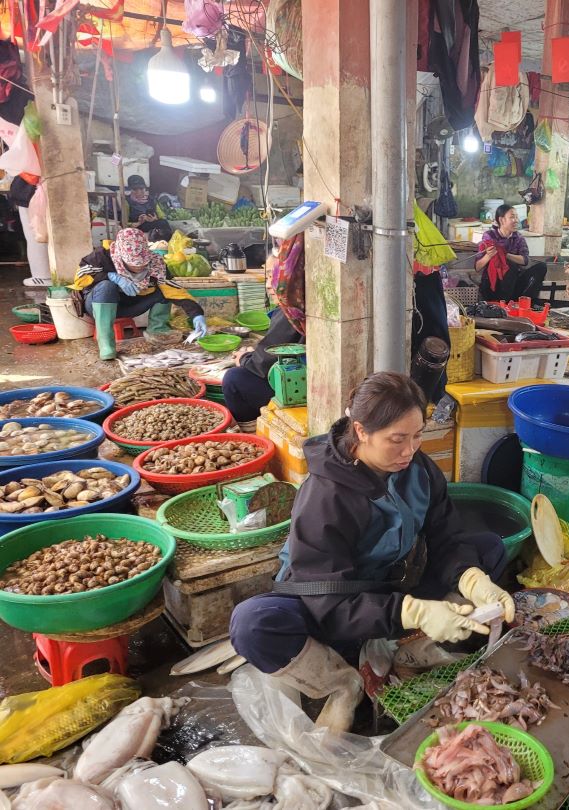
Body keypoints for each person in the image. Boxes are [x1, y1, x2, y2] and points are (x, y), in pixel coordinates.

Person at [229, 373, 511, 733]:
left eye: (417, 435)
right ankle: (343, 685)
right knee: (252, 623)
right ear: (361, 431)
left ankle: (412, 648)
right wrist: (413, 611)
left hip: (390, 585)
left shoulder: (418, 470)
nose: (410, 450)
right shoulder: (325, 496)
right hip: (333, 602)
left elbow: (447, 536)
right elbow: (328, 602)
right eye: (397, 439)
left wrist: (470, 578)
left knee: (488, 549)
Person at [73, 228, 207, 360]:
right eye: (133, 264)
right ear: (121, 256)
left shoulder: (156, 263)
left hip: (131, 305)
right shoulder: (101, 256)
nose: (138, 267)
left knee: (164, 289)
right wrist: (110, 276)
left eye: (142, 263)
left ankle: (158, 330)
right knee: (106, 286)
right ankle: (106, 346)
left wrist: (196, 314)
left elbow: (173, 289)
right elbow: (80, 279)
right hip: (98, 306)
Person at [222, 236, 305, 431]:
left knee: (233, 379)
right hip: (301, 380)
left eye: (272, 276)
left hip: (298, 388)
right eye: (267, 278)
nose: (268, 285)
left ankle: (252, 431)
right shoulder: (298, 304)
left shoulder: (291, 311)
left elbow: (262, 363)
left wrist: (244, 358)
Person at [475, 204, 547, 302]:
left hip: (514, 284)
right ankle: (504, 303)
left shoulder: (518, 238)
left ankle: (526, 302)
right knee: (509, 266)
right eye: (512, 217)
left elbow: (525, 260)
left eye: (517, 217)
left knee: (541, 267)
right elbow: (477, 267)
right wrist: (488, 255)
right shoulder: (489, 236)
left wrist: (505, 254)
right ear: (501, 220)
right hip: (493, 286)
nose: (516, 220)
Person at [124, 175, 171, 239]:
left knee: (163, 223)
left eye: (141, 188)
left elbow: (163, 217)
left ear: (145, 188)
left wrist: (155, 219)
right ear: (130, 190)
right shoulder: (127, 202)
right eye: (135, 189)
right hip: (137, 230)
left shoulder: (152, 200)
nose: (139, 192)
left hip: (153, 228)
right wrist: (139, 222)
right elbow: (124, 223)